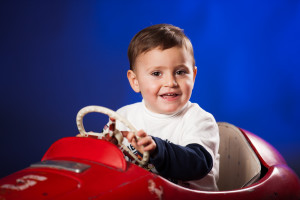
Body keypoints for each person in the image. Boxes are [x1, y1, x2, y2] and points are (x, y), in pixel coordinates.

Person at [109, 24, 220, 191]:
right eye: (156, 74)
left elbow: (198, 163)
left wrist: (157, 149)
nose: (171, 83)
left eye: (181, 72)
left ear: (194, 76)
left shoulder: (200, 120)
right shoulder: (123, 116)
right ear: (135, 81)